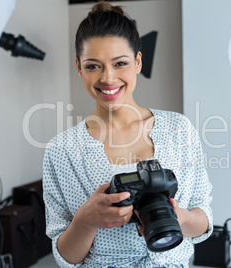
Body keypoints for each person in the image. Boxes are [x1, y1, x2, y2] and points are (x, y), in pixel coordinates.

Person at [43, 2, 213, 267]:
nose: (108, 78)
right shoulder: (62, 150)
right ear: (78, 68)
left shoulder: (178, 129)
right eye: (93, 66)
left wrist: (179, 218)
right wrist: (86, 220)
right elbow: (65, 257)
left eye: (120, 63)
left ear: (137, 62)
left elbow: (204, 221)